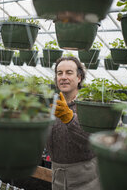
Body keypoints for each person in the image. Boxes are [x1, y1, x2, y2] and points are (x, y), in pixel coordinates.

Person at [46, 56, 100, 190]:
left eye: (69, 72)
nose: (63, 77)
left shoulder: (90, 105)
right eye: (59, 73)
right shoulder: (53, 105)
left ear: (79, 77)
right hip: (57, 177)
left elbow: (95, 141)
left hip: (86, 179)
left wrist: (70, 119)